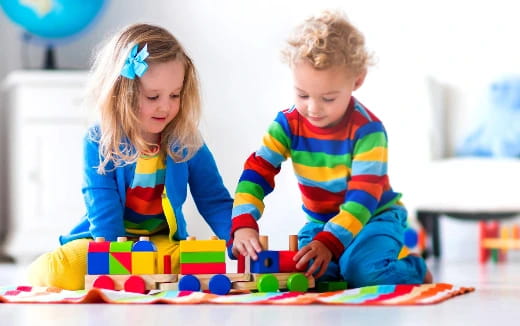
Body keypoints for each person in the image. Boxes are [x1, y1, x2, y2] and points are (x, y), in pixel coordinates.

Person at [231, 10, 432, 288]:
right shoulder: (287, 125)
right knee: (309, 275)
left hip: (373, 217)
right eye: (302, 94)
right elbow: (258, 170)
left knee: (363, 273)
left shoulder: (368, 131)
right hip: (321, 222)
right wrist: (243, 223)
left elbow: (363, 199)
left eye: (328, 98)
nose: (313, 108)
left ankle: (415, 269)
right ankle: (344, 259)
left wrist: (330, 243)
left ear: (357, 81)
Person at [27, 23, 233, 290]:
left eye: (175, 95)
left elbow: (213, 198)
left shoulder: (185, 141)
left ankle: (144, 275)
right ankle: (134, 275)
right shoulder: (99, 141)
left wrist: (237, 234)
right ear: (122, 93)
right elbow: (102, 205)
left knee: (198, 263)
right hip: (104, 240)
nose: (166, 106)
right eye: (152, 96)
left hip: (157, 241)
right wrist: (118, 261)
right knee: (55, 271)